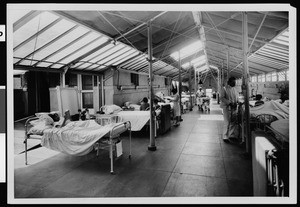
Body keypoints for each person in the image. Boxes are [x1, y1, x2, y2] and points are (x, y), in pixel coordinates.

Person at [220, 77, 239, 143]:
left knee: (233, 121)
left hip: (234, 107)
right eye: (233, 82)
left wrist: (237, 102)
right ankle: (225, 136)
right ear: (230, 82)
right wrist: (229, 103)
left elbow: (236, 97)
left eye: (235, 82)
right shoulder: (224, 89)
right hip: (226, 107)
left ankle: (231, 135)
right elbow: (222, 98)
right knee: (227, 121)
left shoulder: (235, 89)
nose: (235, 83)